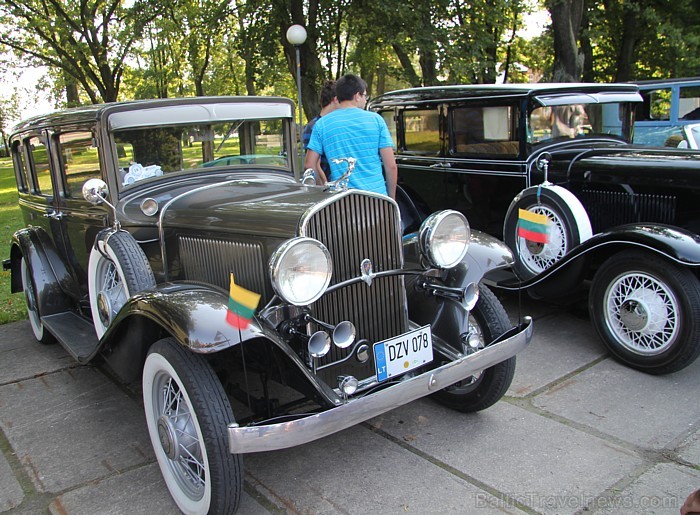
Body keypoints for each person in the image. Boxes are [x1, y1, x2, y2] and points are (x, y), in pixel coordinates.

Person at [304, 73, 397, 199]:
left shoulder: (321, 124)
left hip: (341, 201)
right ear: (357, 96)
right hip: (376, 199)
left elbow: (309, 165)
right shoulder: (376, 120)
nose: (365, 100)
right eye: (365, 95)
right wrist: (391, 198)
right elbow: (390, 166)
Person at [302, 80, 337, 178]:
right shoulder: (313, 127)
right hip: (326, 186)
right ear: (335, 99)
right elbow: (313, 165)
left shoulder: (331, 124)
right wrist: (324, 186)